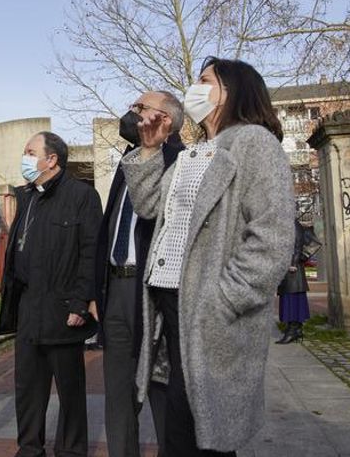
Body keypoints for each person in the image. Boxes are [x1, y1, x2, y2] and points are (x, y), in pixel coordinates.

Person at [121, 57, 295, 456]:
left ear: (230, 92)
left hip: (205, 311)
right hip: (170, 308)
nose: (194, 88)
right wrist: (149, 151)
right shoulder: (197, 152)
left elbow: (272, 237)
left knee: (201, 436)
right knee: (183, 432)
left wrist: (222, 301)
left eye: (204, 80)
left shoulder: (254, 142)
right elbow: (149, 207)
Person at [0, 131, 103, 457]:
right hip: (29, 307)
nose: (25, 158)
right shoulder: (27, 196)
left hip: (63, 307)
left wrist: (81, 302)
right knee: (27, 387)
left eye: (30, 152)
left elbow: (91, 253)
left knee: (69, 390)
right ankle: (29, 448)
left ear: (51, 159)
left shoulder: (81, 196)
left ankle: (71, 451)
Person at [96, 92, 185, 457]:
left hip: (156, 293)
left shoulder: (183, 163)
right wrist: (94, 291)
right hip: (116, 288)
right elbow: (110, 227)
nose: (131, 114)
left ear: (163, 119)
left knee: (164, 388)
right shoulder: (127, 162)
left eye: (140, 108)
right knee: (118, 393)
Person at [276, 219, 310, 344]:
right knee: (288, 297)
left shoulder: (294, 224)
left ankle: (292, 331)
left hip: (292, 270)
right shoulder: (286, 223)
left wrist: (293, 263)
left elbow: (298, 244)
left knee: (291, 299)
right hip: (288, 268)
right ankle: (296, 330)